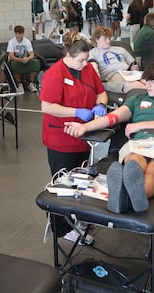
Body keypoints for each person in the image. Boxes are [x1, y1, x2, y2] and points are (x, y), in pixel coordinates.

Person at [63, 63, 154, 213]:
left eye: (153, 81)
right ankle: (131, 196)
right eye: (146, 81)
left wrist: (140, 125)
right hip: (140, 143)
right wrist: (85, 127)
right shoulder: (137, 99)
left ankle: (126, 198)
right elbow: (113, 117)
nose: (148, 85)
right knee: (133, 162)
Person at [39, 32, 108, 242]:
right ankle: (62, 228)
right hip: (61, 137)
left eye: (87, 59)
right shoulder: (55, 74)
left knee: (83, 181)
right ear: (68, 54)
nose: (85, 63)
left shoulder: (87, 69)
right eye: (81, 60)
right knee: (63, 184)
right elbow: (47, 106)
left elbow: (101, 91)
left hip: (85, 135)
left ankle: (79, 218)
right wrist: (76, 112)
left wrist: (101, 104)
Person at [89, 26, 145, 94]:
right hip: (111, 75)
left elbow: (134, 63)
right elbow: (92, 66)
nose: (109, 41)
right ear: (97, 40)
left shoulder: (120, 49)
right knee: (137, 86)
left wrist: (135, 67)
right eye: (105, 39)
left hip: (128, 72)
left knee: (149, 82)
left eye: (109, 38)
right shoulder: (93, 52)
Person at [7, 25, 40, 93]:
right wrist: (20, 60)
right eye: (16, 33)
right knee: (15, 65)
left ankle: (31, 83)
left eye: (20, 33)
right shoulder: (11, 42)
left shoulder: (27, 42)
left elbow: (32, 54)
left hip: (25, 59)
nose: (18, 35)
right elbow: (11, 56)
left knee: (35, 63)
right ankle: (19, 84)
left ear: (23, 34)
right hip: (16, 60)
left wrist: (27, 58)